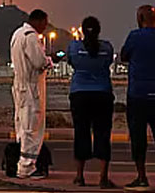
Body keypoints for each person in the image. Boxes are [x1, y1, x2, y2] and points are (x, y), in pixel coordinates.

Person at [120, 4, 155, 190]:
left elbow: (124, 56)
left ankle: (142, 177)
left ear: (140, 18)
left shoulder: (134, 37)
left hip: (137, 93)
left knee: (138, 137)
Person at [66, 16, 116, 188]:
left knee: (81, 133)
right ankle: (103, 177)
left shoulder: (74, 47)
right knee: (103, 134)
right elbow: (108, 63)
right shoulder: (107, 48)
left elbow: (71, 62)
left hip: (80, 94)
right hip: (102, 94)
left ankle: (79, 176)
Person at [10, 8, 53, 179]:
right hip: (31, 87)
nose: (45, 26)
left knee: (22, 125)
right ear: (38, 21)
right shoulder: (31, 37)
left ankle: (22, 161)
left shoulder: (17, 34)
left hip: (19, 85)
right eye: (45, 23)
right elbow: (38, 61)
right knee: (32, 127)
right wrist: (49, 61)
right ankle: (26, 166)